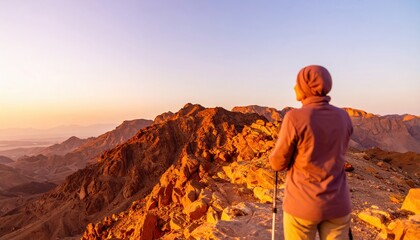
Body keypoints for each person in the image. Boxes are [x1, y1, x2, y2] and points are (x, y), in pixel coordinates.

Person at [269, 65, 353, 240]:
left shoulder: (294, 117)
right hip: (338, 204)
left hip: (302, 206)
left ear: (307, 86)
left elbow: (277, 163)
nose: (294, 87)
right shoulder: (343, 117)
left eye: (297, 83)